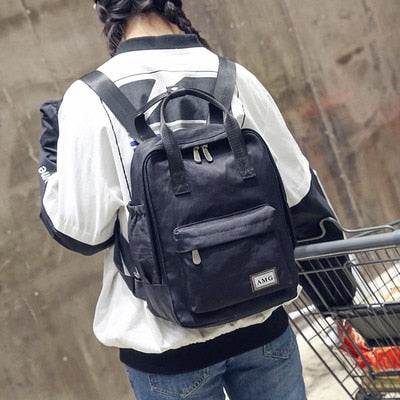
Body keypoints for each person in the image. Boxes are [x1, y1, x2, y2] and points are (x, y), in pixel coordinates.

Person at [38, 1, 350, 398]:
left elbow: (81, 232)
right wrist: (340, 299)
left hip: (168, 354)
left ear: (103, 8)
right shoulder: (234, 77)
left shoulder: (89, 99)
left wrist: (50, 154)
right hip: (262, 326)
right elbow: (300, 195)